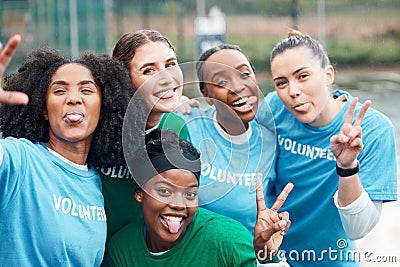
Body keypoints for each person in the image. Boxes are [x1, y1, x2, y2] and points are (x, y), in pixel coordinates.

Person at [261, 30, 398, 266]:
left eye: (302, 76)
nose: (292, 91)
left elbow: (358, 228)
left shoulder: (374, 130)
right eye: (281, 82)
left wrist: (347, 167)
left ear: (328, 74)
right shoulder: (273, 108)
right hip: (273, 259)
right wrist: (181, 105)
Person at [0, 35, 133, 266]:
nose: (73, 99)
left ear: (104, 108)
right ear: (43, 110)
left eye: (87, 90)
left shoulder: (96, 181)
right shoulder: (20, 159)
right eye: (60, 91)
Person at [103, 129, 292, 267]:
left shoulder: (226, 238)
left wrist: (267, 256)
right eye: (164, 191)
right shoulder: (122, 249)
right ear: (140, 194)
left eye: (190, 194)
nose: (179, 204)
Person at [179, 43, 291, 264]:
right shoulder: (187, 126)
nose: (238, 87)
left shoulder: (270, 141)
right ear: (206, 95)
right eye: (221, 82)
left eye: (244, 74)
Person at [99, 29, 189, 241]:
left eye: (170, 64)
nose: (166, 78)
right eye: (149, 70)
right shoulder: (99, 126)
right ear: (123, 79)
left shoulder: (177, 126)